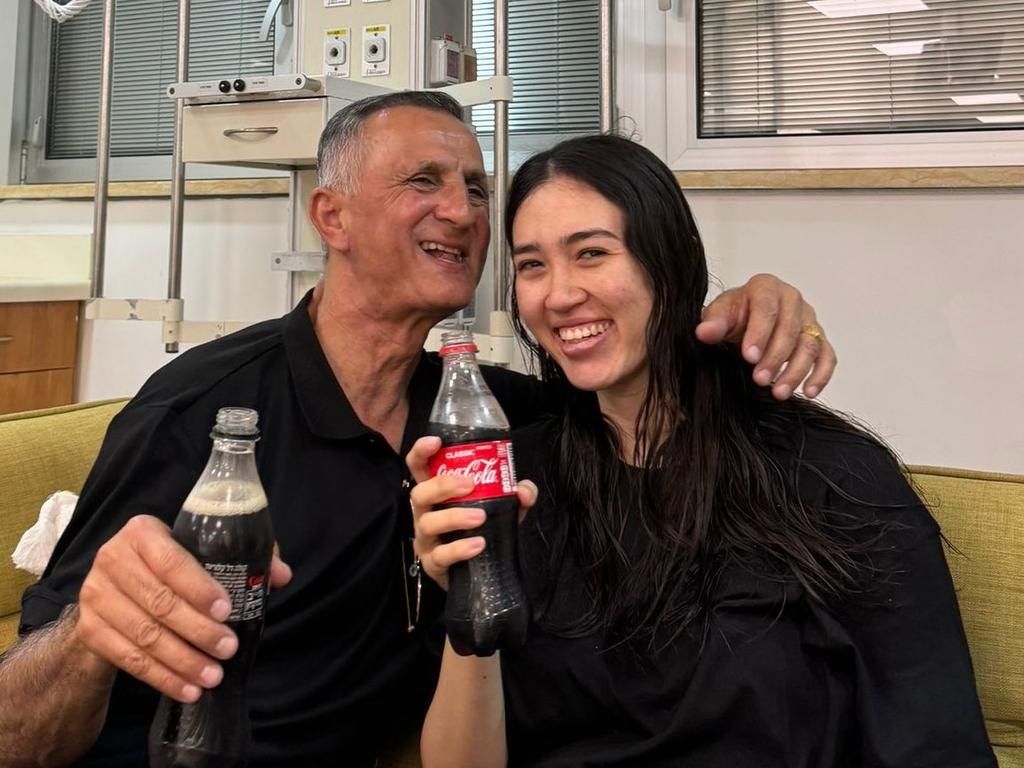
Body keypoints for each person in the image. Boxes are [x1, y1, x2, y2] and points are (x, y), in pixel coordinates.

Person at [0, 92, 836, 767]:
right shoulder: (203, 416)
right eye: (424, 182)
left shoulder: (490, 418)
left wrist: (740, 316)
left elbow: (635, 392)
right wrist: (84, 635)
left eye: (476, 189)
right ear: (332, 218)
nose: (464, 211)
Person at [408, 134, 995, 768]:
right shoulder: (514, 480)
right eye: (532, 265)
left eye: (592, 253)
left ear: (671, 261)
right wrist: (472, 593)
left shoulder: (827, 474)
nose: (559, 294)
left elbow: (933, 738)